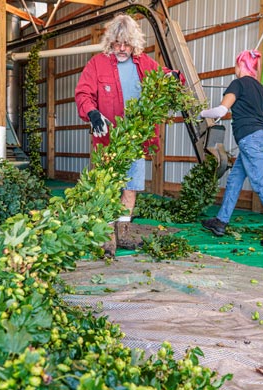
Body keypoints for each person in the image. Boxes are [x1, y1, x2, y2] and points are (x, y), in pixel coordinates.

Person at [75, 13, 181, 255]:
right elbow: (83, 94)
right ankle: (106, 235)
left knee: (130, 187)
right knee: (107, 187)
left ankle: (123, 233)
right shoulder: (97, 64)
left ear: (134, 43)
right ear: (110, 42)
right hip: (108, 141)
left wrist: (172, 77)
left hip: (135, 139)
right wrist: (92, 113)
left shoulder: (144, 63)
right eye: (117, 43)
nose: (122, 49)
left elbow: (163, 77)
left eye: (127, 44)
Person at [199, 49, 263, 247]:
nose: (235, 68)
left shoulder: (237, 84)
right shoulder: (260, 88)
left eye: (236, 64)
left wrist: (201, 112)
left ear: (241, 65)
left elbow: (222, 110)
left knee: (262, 184)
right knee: (235, 179)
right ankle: (220, 222)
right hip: (260, 139)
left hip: (249, 140)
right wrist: (262, 135)